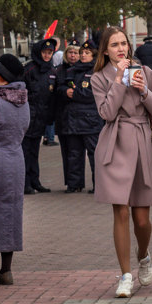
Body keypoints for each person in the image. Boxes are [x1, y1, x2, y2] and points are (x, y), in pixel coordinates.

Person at [91, 25, 152, 298]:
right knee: (120, 211)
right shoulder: (99, 78)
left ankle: (143, 255)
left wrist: (144, 90)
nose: (121, 49)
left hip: (143, 142)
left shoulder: (145, 72)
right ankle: (125, 275)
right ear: (105, 51)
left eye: (123, 43)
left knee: (142, 220)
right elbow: (107, 113)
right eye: (114, 45)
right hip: (115, 144)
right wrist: (119, 80)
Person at [0, 54, 29, 285]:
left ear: (2, 76)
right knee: (11, 211)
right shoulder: (23, 99)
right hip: (16, 159)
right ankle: (6, 270)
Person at [62, 39, 104, 194]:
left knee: (94, 154)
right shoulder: (73, 70)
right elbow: (63, 86)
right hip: (73, 119)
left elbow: (94, 94)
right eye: (82, 53)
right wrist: (65, 92)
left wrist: (75, 93)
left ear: (93, 55)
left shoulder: (97, 72)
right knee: (74, 153)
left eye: (87, 53)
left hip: (90, 119)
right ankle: (74, 184)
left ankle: (98, 185)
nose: (83, 55)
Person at [22, 37, 56, 193]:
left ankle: (35, 180)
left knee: (35, 151)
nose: (47, 56)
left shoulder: (51, 71)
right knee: (25, 151)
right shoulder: (29, 70)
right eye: (45, 52)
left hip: (41, 118)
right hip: (28, 117)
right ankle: (25, 183)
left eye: (50, 53)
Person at [52, 40, 80, 189]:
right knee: (67, 151)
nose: (73, 55)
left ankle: (78, 182)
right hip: (64, 115)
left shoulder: (84, 70)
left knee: (78, 152)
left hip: (80, 117)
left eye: (76, 52)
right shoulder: (59, 70)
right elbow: (55, 89)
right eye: (70, 52)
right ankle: (70, 182)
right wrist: (64, 91)